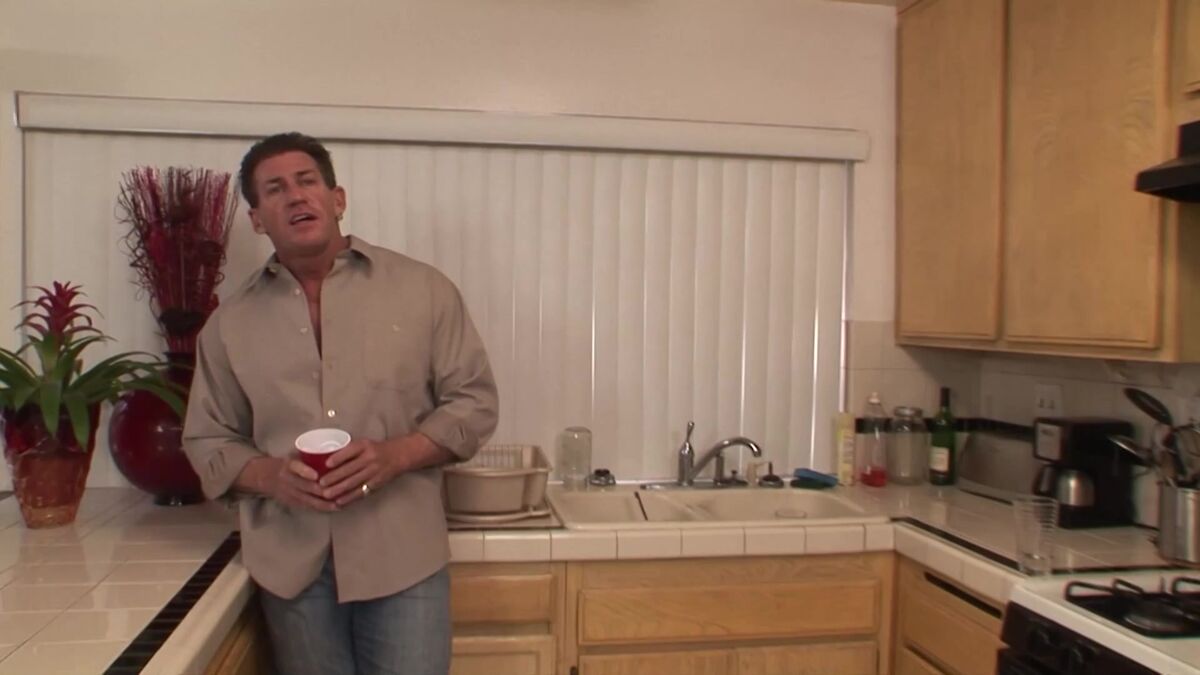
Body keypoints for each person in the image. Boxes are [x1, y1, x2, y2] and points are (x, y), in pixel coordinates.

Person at [182, 132, 498, 675]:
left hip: (402, 557)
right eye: (275, 189)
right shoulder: (229, 325)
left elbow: (474, 402)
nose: (295, 196)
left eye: (307, 181)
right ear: (256, 219)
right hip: (291, 568)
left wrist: (396, 455)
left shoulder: (424, 291)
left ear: (337, 198)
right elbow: (208, 439)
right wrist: (271, 477)